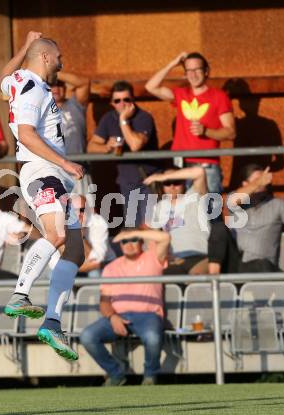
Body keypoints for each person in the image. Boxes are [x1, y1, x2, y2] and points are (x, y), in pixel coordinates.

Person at [0, 32, 85, 361]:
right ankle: (20, 294)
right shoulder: (33, 87)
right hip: (42, 170)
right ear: (46, 58)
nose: (62, 62)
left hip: (53, 174)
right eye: (59, 56)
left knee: (75, 250)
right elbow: (26, 134)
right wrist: (64, 161)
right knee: (57, 234)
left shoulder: (21, 79)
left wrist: (23, 46)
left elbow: (1, 81)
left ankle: (51, 321)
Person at [80, 228, 169, 386]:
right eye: (124, 241)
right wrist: (112, 317)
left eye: (133, 239)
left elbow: (165, 237)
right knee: (87, 336)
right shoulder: (110, 268)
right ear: (120, 245)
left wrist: (134, 233)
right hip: (118, 316)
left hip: (148, 316)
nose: (128, 243)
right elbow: (105, 301)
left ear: (141, 242)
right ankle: (116, 374)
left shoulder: (153, 258)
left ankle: (150, 376)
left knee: (152, 337)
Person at [145, 52, 235, 194]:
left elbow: (231, 132)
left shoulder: (219, 97)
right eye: (189, 71)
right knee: (183, 213)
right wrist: (173, 63)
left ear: (206, 71)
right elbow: (151, 87)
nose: (193, 74)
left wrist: (206, 131)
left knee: (209, 213)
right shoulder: (181, 94)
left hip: (207, 165)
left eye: (197, 69)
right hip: (180, 164)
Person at [87, 81, 159, 227]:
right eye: (117, 101)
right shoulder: (108, 118)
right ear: (112, 103)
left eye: (126, 99)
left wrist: (123, 120)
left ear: (133, 100)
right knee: (133, 229)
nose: (122, 104)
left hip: (148, 182)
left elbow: (135, 145)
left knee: (150, 228)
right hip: (126, 183)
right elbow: (91, 147)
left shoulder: (143, 117)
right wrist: (106, 147)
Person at [209, 164, 284, 274]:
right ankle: (214, 282)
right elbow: (232, 200)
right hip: (238, 267)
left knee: (261, 264)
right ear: (245, 184)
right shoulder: (236, 202)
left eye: (263, 179)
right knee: (219, 228)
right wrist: (258, 182)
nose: (262, 183)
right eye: (257, 180)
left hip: (264, 269)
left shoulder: (277, 205)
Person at [144, 165, 210, 275]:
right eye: (167, 183)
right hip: (174, 260)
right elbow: (153, 239)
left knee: (195, 284)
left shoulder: (195, 196)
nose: (172, 186)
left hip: (199, 256)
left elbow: (199, 171)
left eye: (176, 182)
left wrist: (163, 176)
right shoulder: (159, 207)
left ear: (184, 182)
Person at [72, 195, 116, 277]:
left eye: (82, 210)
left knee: (94, 273)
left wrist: (81, 237)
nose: (78, 214)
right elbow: (54, 262)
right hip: (75, 266)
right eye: (73, 210)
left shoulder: (98, 223)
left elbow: (96, 261)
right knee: (53, 275)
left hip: (104, 263)